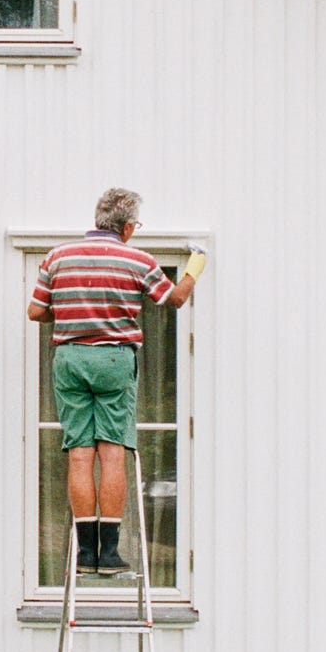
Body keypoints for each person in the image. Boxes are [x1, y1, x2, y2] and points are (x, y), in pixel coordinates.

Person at [28, 188, 204, 574]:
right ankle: (108, 554)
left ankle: (84, 553)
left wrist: (73, 314)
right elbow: (173, 300)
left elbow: (36, 311)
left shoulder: (58, 257)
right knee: (111, 453)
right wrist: (196, 264)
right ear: (127, 226)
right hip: (113, 358)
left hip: (70, 357)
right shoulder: (137, 260)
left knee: (79, 453)